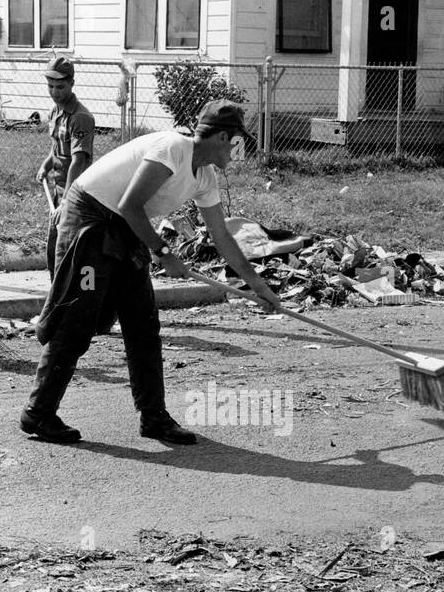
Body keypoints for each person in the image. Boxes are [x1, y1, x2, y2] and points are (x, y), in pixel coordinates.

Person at [21, 101, 280, 445]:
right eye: (236, 141)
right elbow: (129, 204)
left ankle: (153, 416)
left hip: (127, 224)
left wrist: (259, 286)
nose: (237, 151)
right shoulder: (173, 147)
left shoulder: (205, 176)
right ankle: (38, 413)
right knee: (77, 319)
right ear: (221, 137)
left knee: (143, 321)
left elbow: (222, 237)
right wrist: (162, 251)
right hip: (90, 217)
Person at [36, 57, 97, 276]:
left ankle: (71, 302)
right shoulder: (55, 111)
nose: (55, 92)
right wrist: (46, 165)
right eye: (50, 86)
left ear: (72, 83)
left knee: (69, 251)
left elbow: (78, 160)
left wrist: (67, 201)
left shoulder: (80, 117)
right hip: (58, 190)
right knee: (53, 249)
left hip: (76, 194)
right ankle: (57, 297)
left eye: (60, 87)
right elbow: (57, 148)